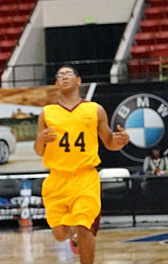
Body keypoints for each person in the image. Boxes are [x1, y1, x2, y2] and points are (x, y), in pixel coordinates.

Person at [34, 65, 130, 264]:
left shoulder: (94, 110)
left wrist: (120, 141)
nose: (64, 77)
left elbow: (109, 142)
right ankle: (71, 234)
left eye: (68, 73)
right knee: (60, 234)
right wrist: (40, 140)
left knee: (84, 227)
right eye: (60, 75)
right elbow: (38, 151)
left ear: (78, 80)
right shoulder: (47, 113)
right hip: (57, 179)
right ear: (56, 84)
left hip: (85, 177)